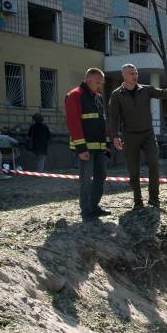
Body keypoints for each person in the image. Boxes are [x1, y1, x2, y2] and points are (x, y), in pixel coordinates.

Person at [109, 63, 167, 210]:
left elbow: (162, 93)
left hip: (148, 134)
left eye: (136, 73)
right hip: (129, 136)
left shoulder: (145, 90)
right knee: (133, 171)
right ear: (124, 75)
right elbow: (113, 118)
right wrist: (114, 136)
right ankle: (137, 201)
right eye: (131, 73)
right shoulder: (116, 94)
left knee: (154, 163)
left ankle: (154, 199)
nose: (135, 76)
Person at [65, 68, 111, 223]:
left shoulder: (97, 97)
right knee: (86, 179)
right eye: (98, 82)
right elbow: (73, 124)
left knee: (101, 176)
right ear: (88, 79)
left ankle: (94, 206)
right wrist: (81, 148)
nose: (100, 86)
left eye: (101, 83)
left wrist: (105, 144)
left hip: (99, 147)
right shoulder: (74, 95)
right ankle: (86, 211)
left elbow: (101, 122)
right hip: (85, 148)